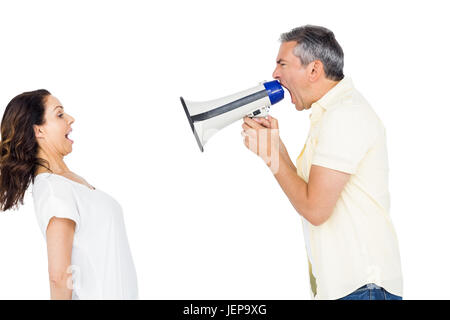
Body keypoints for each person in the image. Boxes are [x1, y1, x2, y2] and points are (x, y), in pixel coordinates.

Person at [241, 25, 403, 300]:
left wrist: (271, 158)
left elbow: (315, 208)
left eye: (282, 64)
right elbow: (310, 192)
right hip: (351, 289)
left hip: (362, 289)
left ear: (314, 70)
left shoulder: (344, 114)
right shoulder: (332, 114)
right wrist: (275, 148)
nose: (275, 74)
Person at [0, 89, 138, 299]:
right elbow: (58, 276)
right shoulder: (55, 189)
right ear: (39, 131)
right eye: (59, 114)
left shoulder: (65, 182)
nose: (70, 119)